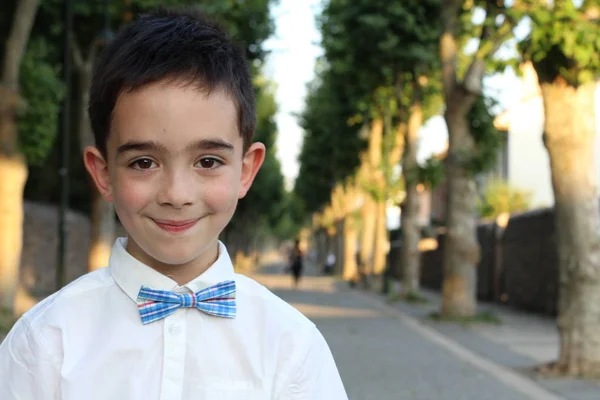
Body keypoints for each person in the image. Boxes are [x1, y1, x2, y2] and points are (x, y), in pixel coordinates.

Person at [0, 9, 348, 399]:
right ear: (102, 173)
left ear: (246, 170)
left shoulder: (292, 346)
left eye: (208, 162)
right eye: (143, 163)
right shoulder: (44, 342)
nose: (177, 193)